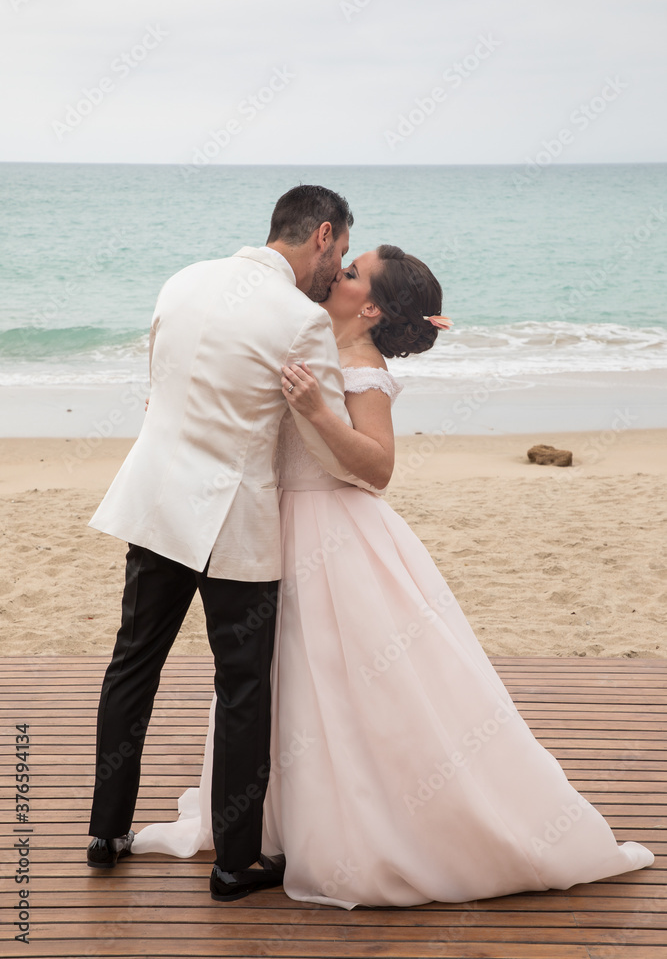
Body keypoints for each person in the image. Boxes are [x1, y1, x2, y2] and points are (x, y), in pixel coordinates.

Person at [131, 244, 654, 907]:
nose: (336, 275)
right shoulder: (307, 340)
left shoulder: (362, 368)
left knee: (356, 681)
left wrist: (319, 410)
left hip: (337, 532)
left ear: (371, 306)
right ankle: (276, 821)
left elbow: (377, 469)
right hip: (274, 527)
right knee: (277, 679)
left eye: (351, 274)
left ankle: (382, 825)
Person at [85, 185, 381, 902]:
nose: (334, 268)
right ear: (320, 234)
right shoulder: (299, 321)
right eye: (338, 252)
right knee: (242, 685)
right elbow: (327, 443)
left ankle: (107, 832)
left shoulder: (181, 280)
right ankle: (235, 864)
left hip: (154, 500)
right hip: (230, 520)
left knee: (133, 664)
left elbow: (159, 387)